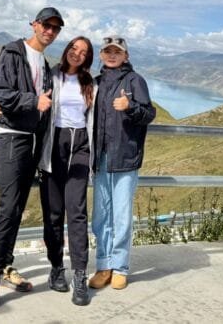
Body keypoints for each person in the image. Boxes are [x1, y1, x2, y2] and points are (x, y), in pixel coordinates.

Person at [0, 7, 64, 315]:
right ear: (34, 24)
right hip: (12, 137)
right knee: (8, 207)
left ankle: (7, 265)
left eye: (56, 28)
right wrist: (31, 101)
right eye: (46, 25)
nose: (50, 31)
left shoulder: (47, 65)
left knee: (19, 206)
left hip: (33, 140)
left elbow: (42, 106)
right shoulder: (13, 53)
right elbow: (1, 92)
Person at [88, 35, 156, 291]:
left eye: (117, 51)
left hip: (125, 159)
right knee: (101, 216)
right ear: (102, 55)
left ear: (126, 56)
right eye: (107, 51)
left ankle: (120, 268)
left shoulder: (134, 80)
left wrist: (129, 107)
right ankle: (103, 266)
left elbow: (148, 114)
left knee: (122, 216)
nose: (112, 55)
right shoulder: (95, 83)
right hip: (101, 159)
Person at [38, 36, 96, 306]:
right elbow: (32, 97)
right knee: (53, 212)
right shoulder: (51, 75)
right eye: (74, 48)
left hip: (80, 146)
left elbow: (97, 118)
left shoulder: (90, 84)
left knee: (77, 212)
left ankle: (80, 276)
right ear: (67, 50)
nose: (77, 54)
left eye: (83, 52)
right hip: (54, 145)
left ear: (87, 58)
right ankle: (56, 268)